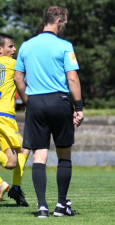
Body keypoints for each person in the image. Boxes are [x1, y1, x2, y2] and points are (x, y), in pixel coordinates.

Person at [14, 6, 84, 218]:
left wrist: (28, 102)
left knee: (39, 156)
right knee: (64, 155)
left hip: (35, 103)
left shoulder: (26, 46)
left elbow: (18, 78)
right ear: (60, 21)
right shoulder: (64, 46)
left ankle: (42, 207)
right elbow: (72, 78)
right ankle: (61, 205)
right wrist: (79, 107)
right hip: (59, 101)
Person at [0, 33, 30, 206]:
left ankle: (12, 187)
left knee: (11, 162)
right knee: (25, 147)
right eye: (10, 46)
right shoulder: (13, 64)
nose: (14, 49)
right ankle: (14, 187)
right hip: (4, 115)